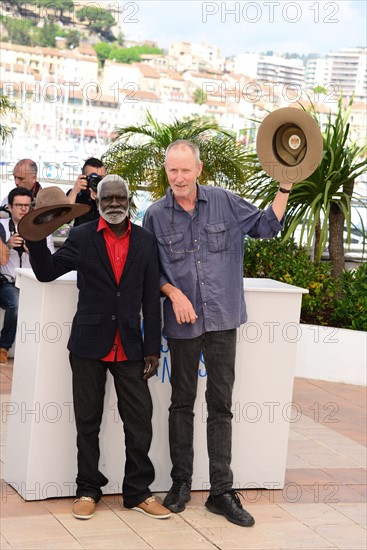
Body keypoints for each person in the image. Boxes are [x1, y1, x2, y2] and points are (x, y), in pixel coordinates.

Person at [143, 139, 293, 527]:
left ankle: (221, 492)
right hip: (183, 324)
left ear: (199, 169)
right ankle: (179, 485)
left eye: (185, 170)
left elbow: (267, 226)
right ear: (166, 170)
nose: (178, 177)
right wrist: (173, 292)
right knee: (181, 403)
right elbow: (150, 272)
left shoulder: (225, 201)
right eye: (172, 170)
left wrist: (285, 186)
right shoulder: (156, 215)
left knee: (221, 405)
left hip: (224, 319)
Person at [25, 175, 171, 521]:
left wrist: (153, 348)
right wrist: (36, 235)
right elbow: (47, 273)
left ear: (129, 199)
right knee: (87, 421)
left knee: (139, 422)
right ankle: (88, 488)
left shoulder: (146, 241)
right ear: (98, 200)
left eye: (121, 197)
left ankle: (137, 492)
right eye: (109, 198)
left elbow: (151, 297)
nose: (115, 204)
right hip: (89, 344)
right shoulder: (80, 236)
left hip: (132, 346)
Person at [0, 187, 54, 364]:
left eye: (27, 205)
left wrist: (34, 250)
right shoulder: (2, 228)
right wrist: (8, 245)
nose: (23, 209)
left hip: (34, 282)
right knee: (16, 305)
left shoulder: (42, 228)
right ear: (9, 206)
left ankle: (40, 353)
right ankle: (3, 347)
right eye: (18, 205)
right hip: (8, 283)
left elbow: (52, 260)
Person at [67, 157, 107, 226]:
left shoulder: (110, 195)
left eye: (101, 177)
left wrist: (100, 199)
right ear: (84, 177)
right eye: (93, 177)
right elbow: (66, 219)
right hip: (80, 235)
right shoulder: (77, 193)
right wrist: (74, 191)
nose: (97, 181)